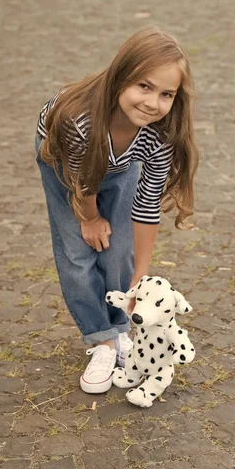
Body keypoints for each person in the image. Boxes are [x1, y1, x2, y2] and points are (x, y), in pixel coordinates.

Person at [35, 26, 198, 394]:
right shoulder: (79, 121)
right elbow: (84, 182)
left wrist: (139, 279)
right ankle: (101, 341)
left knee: (119, 249)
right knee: (79, 252)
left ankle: (119, 328)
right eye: (144, 86)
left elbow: (147, 202)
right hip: (65, 160)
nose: (153, 103)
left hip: (120, 161)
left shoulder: (159, 132)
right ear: (120, 77)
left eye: (166, 94)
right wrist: (90, 218)